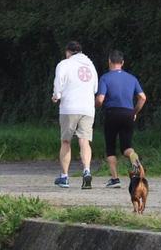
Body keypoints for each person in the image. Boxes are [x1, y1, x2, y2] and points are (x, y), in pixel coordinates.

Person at [95, 50, 147, 188]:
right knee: (127, 147)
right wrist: (134, 112)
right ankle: (135, 161)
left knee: (111, 147)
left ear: (109, 62)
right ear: (122, 63)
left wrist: (94, 105)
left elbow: (100, 99)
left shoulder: (105, 78)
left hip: (112, 113)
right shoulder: (132, 78)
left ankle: (115, 179)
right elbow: (143, 97)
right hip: (128, 113)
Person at [51, 41, 98, 189]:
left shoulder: (64, 64)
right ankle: (87, 171)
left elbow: (59, 83)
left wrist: (56, 95)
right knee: (84, 141)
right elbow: (95, 88)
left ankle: (64, 177)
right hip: (88, 108)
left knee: (66, 141)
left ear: (68, 52)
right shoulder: (91, 66)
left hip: (69, 107)